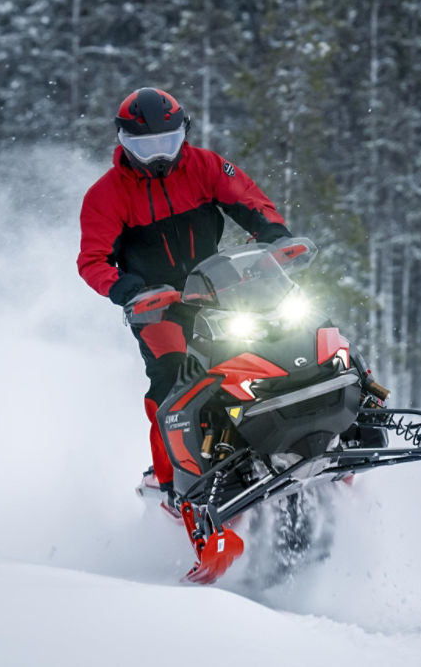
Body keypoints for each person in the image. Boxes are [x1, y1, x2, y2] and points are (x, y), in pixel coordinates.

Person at [77, 87, 291, 511]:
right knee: (174, 381)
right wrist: (127, 290)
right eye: (143, 146)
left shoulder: (206, 166)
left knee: (278, 343)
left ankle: (311, 432)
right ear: (123, 142)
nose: (157, 155)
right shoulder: (106, 194)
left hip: (218, 290)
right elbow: (92, 260)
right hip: (157, 307)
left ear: (183, 134)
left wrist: (274, 237)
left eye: (167, 143)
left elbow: (250, 201)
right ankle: (176, 485)